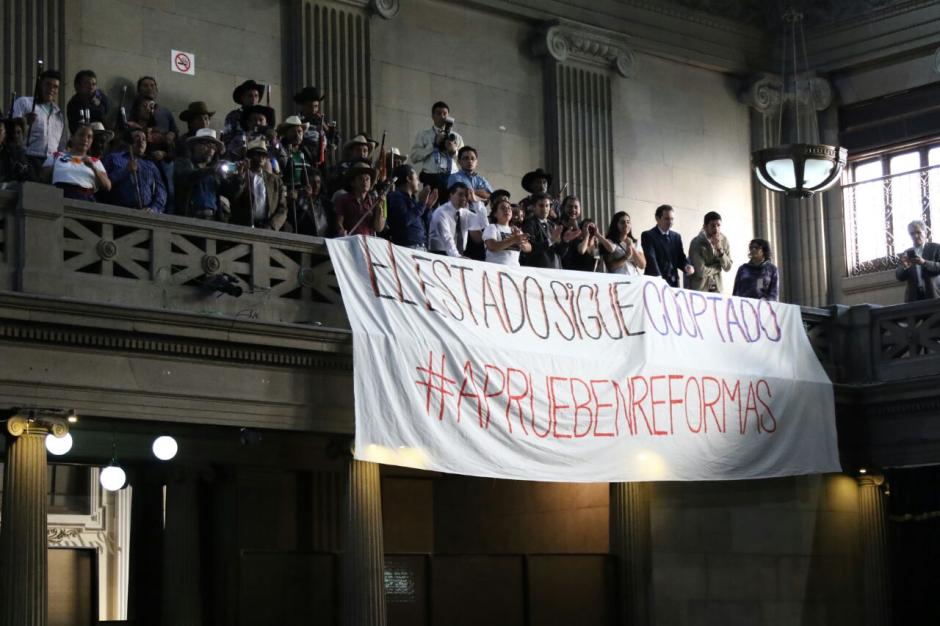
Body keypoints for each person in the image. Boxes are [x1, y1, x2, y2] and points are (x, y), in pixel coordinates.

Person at [12, 69, 66, 170]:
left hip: (51, 162)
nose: (51, 89)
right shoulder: (24, 103)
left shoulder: (59, 114)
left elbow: (61, 145)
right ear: (40, 85)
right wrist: (24, 121)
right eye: (48, 84)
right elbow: (10, 130)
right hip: (28, 157)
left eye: (55, 87)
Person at [102, 128, 166, 213]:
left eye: (144, 139)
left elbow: (161, 191)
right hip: (119, 211)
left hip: (145, 213)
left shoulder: (151, 166)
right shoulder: (113, 158)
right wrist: (125, 171)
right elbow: (103, 184)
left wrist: (154, 208)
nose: (141, 141)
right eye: (137, 137)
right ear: (129, 141)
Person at [40, 125, 111, 201]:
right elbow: (43, 178)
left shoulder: (95, 161)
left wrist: (93, 168)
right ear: (72, 137)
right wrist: (57, 165)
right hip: (58, 194)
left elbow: (107, 186)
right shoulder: (56, 156)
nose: (85, 139)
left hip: (84, 198)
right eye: (81, 135)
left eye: (89, 137)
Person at [229, 138, 287, 230]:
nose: (261, 158)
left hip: (267, 227)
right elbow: (234, 196)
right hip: (242, 227)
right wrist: (240, 177)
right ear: (249, 157)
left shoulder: (275, 180)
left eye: (264, 155)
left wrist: (272, 226)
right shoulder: (240, 175)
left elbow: (282, 208)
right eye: (257, 154)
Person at [174, 128, 228, 220]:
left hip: (212, 218)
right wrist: (210, 170)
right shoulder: (183, 163)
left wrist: (239, 178)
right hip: (190, 217)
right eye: (206, 144)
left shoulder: (215, 172)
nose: (210, 150)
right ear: (195, 145)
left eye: (213, 147)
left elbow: (229, 192)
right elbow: (186, 177)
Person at [410, 101, 462, 188]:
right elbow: (414, 157)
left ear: (448, 116)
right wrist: (434, 145)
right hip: (431, 177)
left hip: (452, 177)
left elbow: (463, 159)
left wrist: (453, 151)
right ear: (433, 116)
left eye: (444, 114)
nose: (442, 116)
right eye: (438, 113)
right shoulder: (424, 135)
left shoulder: (456, 137)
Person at [519, 192, 579, 269]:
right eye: (541, 205)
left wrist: (565, 241)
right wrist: (551, 240)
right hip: (537, 270)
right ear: (533, 207)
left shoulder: (553, 225)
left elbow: (560, 253)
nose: (545, 209)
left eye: (547, 205)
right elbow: (531, 248)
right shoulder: (529, 224)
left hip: (555, 270)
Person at [641, 204, 694, 287]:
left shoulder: (676, 237)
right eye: (666, 219)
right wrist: (659, 280)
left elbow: (680, 258)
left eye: (672, 219)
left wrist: (686, 266)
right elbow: (651, 260)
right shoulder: (648, 235)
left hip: (674, 283)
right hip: (656, 283)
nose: (670, 222)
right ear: (657, 218)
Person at [386, 163, 437, 249]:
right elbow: (403, 221)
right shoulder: (395, 196)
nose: (418, 182)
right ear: (409, 178)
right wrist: (421, 204)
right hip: (407, 248)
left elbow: (423, 224)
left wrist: (427, 207)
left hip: (421, 247)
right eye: (416, 178)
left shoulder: (413, 199)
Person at [334, 160, 387, 236]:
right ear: (352, 183)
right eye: (360, 179)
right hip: (350, 240)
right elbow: (339, 223)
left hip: (368, 241)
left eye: (367, 179)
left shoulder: (374, 201)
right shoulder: (343, 199)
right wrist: (341, 231)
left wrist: (379, 209)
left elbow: (379, 228)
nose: (365, 182)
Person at [428, 182, 480, 257]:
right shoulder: (441, 213)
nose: (464, 198)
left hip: (457, 254)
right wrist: (457, 257)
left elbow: (483, 223)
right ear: (451, 195)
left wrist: (476, 202)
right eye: (460, 195)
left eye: (466, 195)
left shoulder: (464, 212)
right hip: (439, 254)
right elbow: (447, 238)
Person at [895, 220, 940, 302]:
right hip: (913, 297)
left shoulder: (936, 248)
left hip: (935, 294)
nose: (915, 236)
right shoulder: (906, 253)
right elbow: (899, 277)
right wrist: (905, 266)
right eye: (912, 234)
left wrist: (924, 262)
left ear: (925, 233)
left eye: (918, 232)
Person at [687, 211, 732, 292]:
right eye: (713, 225)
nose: (716, 229)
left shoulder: (724, 240)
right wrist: (717, 267)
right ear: (705, 226)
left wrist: (719, 249)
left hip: (717, 289)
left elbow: (728, 267)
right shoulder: (696, 243)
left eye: (718, 225)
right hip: (700, 289)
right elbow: (701, 271)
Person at [484, 197, 531, 267]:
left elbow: (529, 248)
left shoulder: (516, 229)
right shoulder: (492, 227)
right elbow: (492, 246)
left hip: (514, 269)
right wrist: (514, 239)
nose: (507, 210)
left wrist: (521, 243)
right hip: (495, 269)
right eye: (503, 208)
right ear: (495, 214)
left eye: (509, 208)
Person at [66, 69, 110, 135]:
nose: (91, 87)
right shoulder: (73, 104)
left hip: (104, 135)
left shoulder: (99, 96)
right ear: (77, 86)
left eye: (94, 84)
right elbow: (74, 129)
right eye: (86, 83)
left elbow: (106, 113)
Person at [0, 119, 34, 188]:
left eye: (19, 132)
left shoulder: (26, 155)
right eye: (13, 133)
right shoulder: (6, 152)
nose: (16, 136)